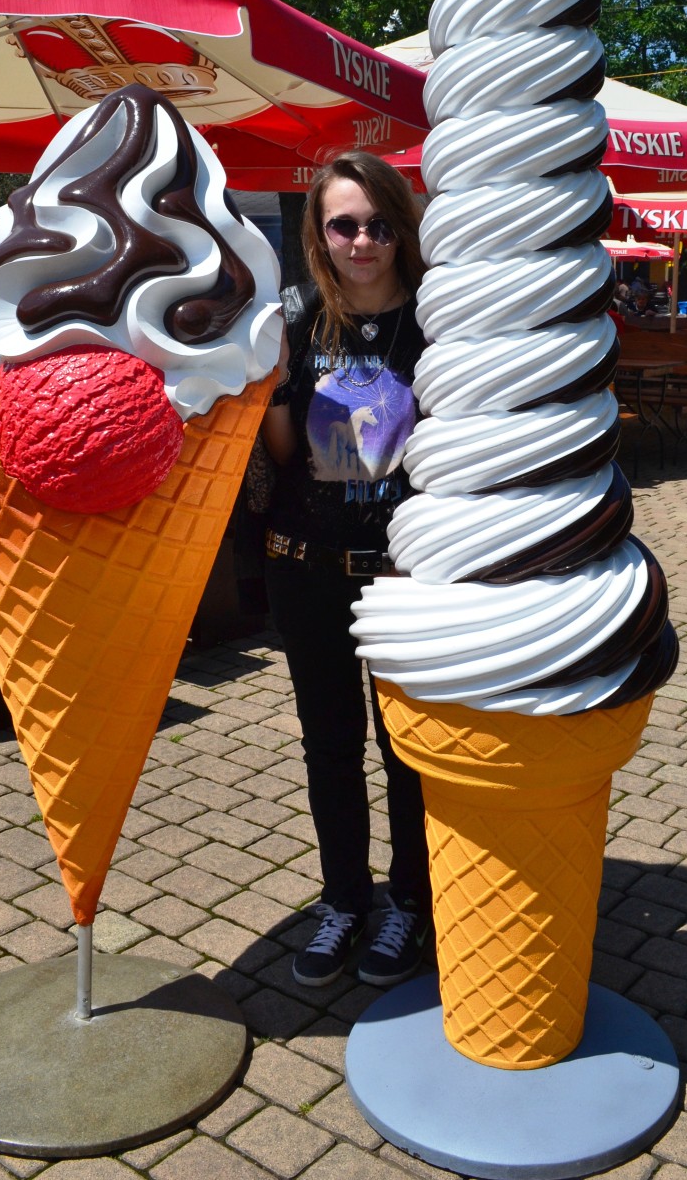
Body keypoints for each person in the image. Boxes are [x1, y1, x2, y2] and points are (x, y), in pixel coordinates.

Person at [261, 152, 432, 988]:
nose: (363, 241)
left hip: (408, 575)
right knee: (329, 744)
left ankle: (410, 902)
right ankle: (344, 901)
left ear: (403, 229)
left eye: (379, 224)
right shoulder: (295, 321)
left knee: (408, 748)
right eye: (344, 225)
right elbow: (282, 458)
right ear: (318, 234)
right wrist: (270, 392)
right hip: (310, 566)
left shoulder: (436, 319)